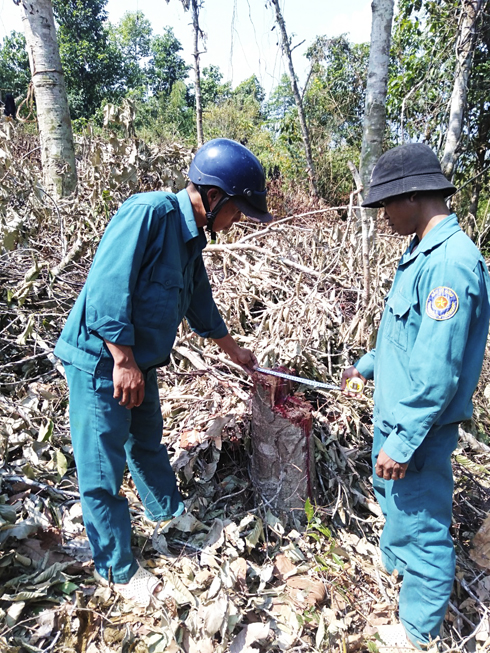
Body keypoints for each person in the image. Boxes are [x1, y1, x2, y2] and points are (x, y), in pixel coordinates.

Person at [54, 138, 272, 607]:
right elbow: (106, 286)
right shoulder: (149, 213)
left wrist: (233, 349)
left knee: (147, 440)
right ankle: (116, 567)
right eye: (237, 212)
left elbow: (198, 301)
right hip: (102, 360)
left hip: (140, 363)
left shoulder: (193, 238)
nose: (236, 224)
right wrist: (124, 360)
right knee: (102, 465)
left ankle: (167, 512)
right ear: (213, 197)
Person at [341, 143, 490, 651]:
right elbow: (405, 340)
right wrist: (366, 367)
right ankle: (397, 583)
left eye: (386, 203)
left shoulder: (450, 265)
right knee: (398, 509)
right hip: (398, 417)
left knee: (423, 530)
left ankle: (417, 634)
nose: (383, 216)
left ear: (412, 195)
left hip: (419, 431)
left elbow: (437, 375)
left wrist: (401, 443)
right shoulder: (420, 251)